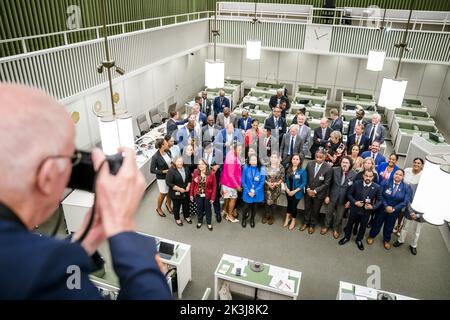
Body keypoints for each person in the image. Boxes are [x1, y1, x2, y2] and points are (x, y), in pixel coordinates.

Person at [0, 84, 171, 299]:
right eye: (71, 159)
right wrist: (123, 228)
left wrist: (84, 241)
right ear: (48, 176)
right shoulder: (45, 277)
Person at [367, 169, 412, 250]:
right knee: (377, 223)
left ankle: (387, 240)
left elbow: (406, 201)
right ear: (393, 174)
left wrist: (394, 209)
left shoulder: (406, 187)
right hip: (382, 208)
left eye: (400, 175)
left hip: (394, 212)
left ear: (403, 176)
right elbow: (380, 195)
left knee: (389, 226)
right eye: (396, 174)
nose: (398, 176)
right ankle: (371, 236)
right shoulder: (385, 182)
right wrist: (386, 206)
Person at [339, 170, 382, 251]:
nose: (368, 178)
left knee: (362, 226)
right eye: (366, 175)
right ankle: (346, 237)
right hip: (354, 209)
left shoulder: (377, 187)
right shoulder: (357, 183)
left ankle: (359, 240)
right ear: (363, 176)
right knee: (349, 224)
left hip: (366, 212)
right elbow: (349, 194)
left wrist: (372, 207)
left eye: (370, 176)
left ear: (373, 177)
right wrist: (355, 202)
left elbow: (380, 200)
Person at [393, 158, 424, 255]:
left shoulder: (424, 176)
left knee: (417, 230)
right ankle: (400, 240)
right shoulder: (406, 171)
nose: (416, 164)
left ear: (422, 165)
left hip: (419, 205)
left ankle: (414, 245)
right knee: (405, 225)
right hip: (407, 202)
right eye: (415, 162)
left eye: (419, 163)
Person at [323, 156, 357, 239]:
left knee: (339, 216)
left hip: (344, 199)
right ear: (341, 163)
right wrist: (327, 196)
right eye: (343, 162)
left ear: (350, 164)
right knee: (329, 213)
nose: (344, 164)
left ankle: (335, 229)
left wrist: (349, 201)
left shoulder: (354, 174)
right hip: (332, 196)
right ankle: (326, 226)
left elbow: (354, 190)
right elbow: (328, 184)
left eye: (347, 163)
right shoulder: (334, 170)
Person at [301, 149, 332, 234]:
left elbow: (326, 184)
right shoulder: (310, 163)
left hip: (319, 194)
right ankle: (305, 222)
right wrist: (308, 189)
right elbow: (305, 177)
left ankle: (312, 225)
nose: (318, 159)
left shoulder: (328, 168)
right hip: (308, 191)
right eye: (317, 157)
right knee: (307, 208)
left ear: (325, 157)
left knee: (315, 210)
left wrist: (314, 191)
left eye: (320, 157)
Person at [190, 159, 217, 231]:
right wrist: (191, 194)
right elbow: (193, 183)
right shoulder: (196, 171)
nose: (200, 166)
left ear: (206, 165)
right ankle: (199, 221)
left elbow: (214, 186)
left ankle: (209, 223)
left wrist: (212, 198)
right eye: (199, 164)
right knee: (199, 209)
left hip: (208, 195)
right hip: (198, 195)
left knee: (208, 210)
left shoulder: (212, 173)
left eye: (202, 164)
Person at [165, 156, 192, 226]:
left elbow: (189, 178)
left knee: (186, 205)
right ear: (174, 162)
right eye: (178, 161)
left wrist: (188, 186)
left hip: (186, 192)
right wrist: (179, 189)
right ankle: (177, 219)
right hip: (176, 193)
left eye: (181, 161)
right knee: (176, 207)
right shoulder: (171, 171)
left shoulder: (186, 168)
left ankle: (186, 216)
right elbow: (169, 183)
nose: (180, 163)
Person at [241, 154, 266, 228]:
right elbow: (243, 181)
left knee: (255, 207)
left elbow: (262, 182)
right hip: (247, 191)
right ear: (249, 161)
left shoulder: (262, 169)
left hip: (257, 192)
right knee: (245, 207)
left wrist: (254, 191)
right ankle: (244, 219)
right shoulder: (245, 168)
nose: (253, 161)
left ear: (257, 160)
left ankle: (252, 219)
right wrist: (248, 191)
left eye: (255, 159)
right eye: (252, 159)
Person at [220, 144, 243, 223]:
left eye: (241, 149)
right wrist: (237, 186)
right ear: (234, 149)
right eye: (239, 149)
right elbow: (231, 174)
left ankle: (224, 211)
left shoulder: (230, 153)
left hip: (226, 182)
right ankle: (229, 215)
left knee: (227, 198)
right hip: (230, 184)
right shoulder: (232, 159)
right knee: (233, 199)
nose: (240, 151)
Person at [284, 154, 307, 230]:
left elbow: (304, 183)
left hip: (297, 192)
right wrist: (286, 188)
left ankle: (293, 219)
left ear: (300, 161)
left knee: (293, 206)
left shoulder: (302, 170)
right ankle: (287, 218)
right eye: (294, 159)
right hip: (288, 191)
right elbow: (285, 179)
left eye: (297, 159)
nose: (295, 161)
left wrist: (294, 191)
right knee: (289, 204)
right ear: (291, 160)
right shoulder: (288, 168)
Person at [150, 138, 172, 217]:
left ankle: (168, 205)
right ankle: (158, 208)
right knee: (163, 193)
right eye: (166, 143)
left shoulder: (168, 151)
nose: (168, 144)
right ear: (162, 146)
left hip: (170, 176)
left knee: (169, 192)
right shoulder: (155, 157)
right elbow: (152, 170)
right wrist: (163, 171)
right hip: (162, 178)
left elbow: (170, 161)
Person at [263, 153, 285, 225]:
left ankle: (272, 216)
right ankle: (266, 215)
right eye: (272, 157)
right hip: (267, 187)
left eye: (275, 157)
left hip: (276, 188)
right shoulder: (265, 166)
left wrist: (276, 183)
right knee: (267, 201)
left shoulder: (281, 167)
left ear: (278, 158)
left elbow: (282, 178)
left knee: (273, 203)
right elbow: (262, 177)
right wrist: (268, 183)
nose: (273, 158)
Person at [203, 142, 222, 223]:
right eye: (205, 150)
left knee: (216, 194)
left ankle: (217, 213)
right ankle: (205, 210)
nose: (206, 152)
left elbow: (221, 162)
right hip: (206, 175)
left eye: (208, 150)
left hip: (215, 176)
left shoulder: (218, 152)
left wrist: (218, 166)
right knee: (205, 193)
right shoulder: (203, 153)